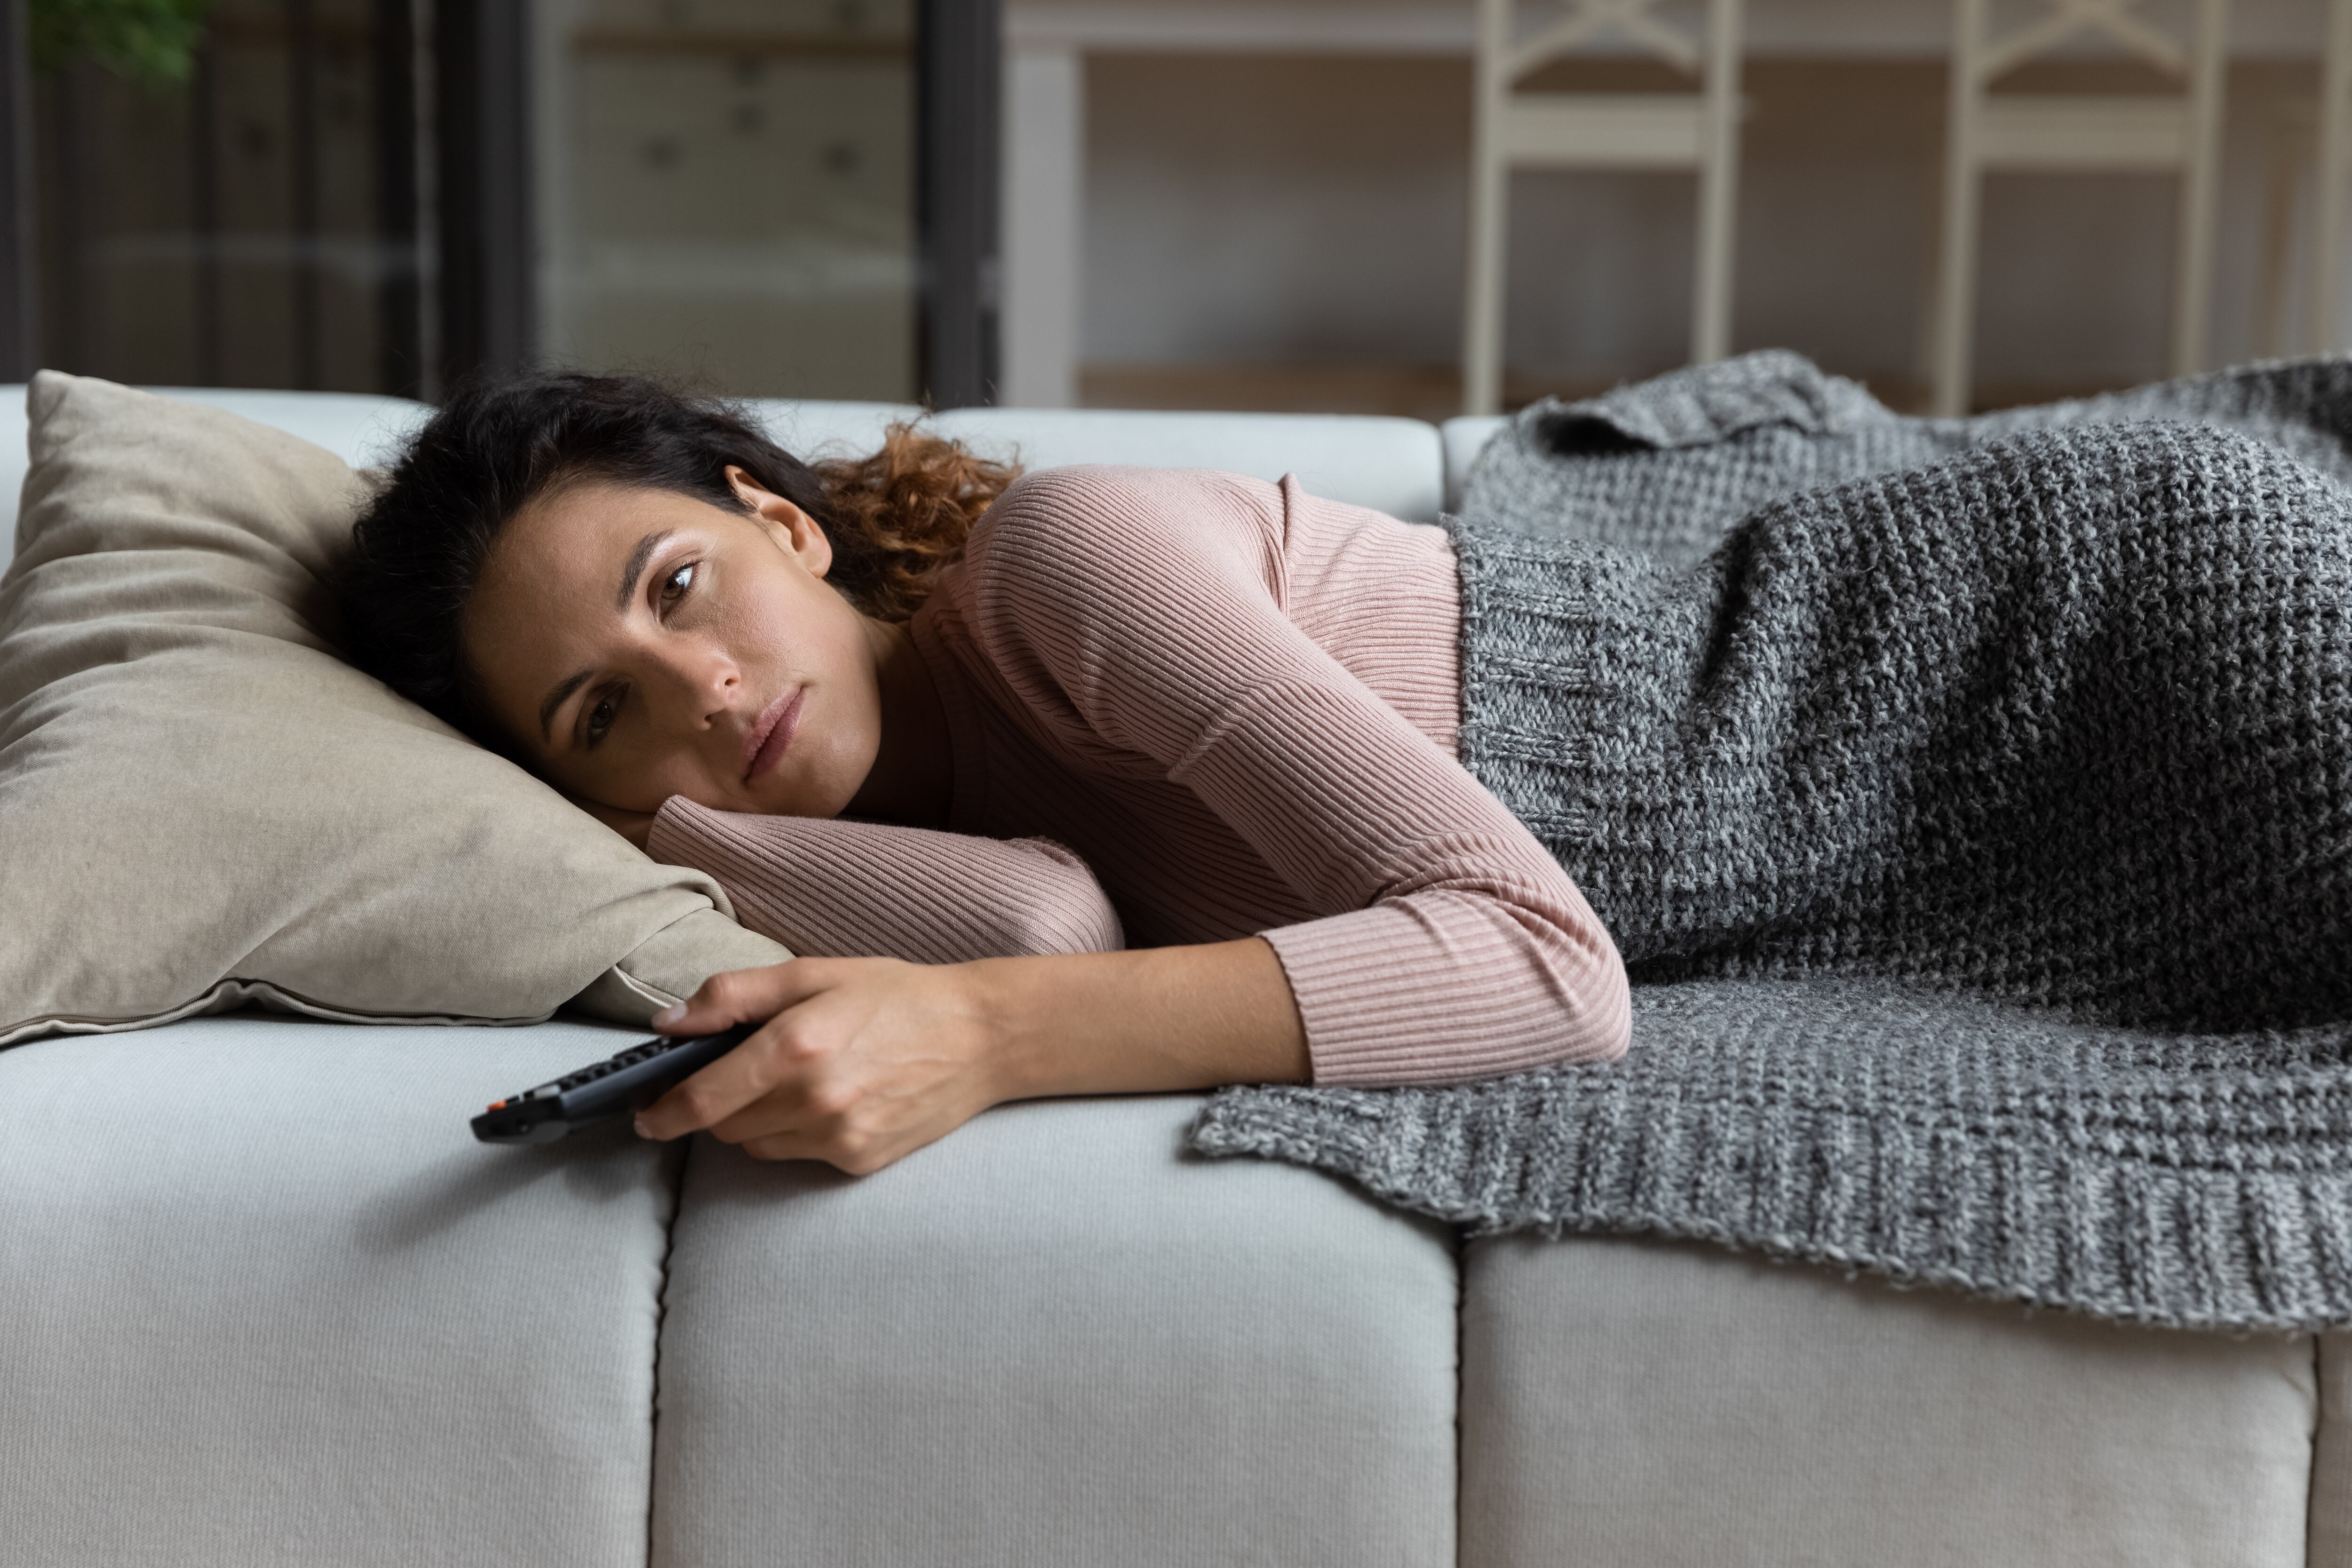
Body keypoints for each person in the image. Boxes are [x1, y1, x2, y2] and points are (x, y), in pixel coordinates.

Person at [340, 373, 1631, 1173]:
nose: (706, 691)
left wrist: (975, 1035)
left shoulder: (1068, 563)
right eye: (604, 712)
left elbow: (1541, 967)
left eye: (681, 586)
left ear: (785, 526)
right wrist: (674, 835)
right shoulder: (882, 855)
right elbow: (1048, 933)